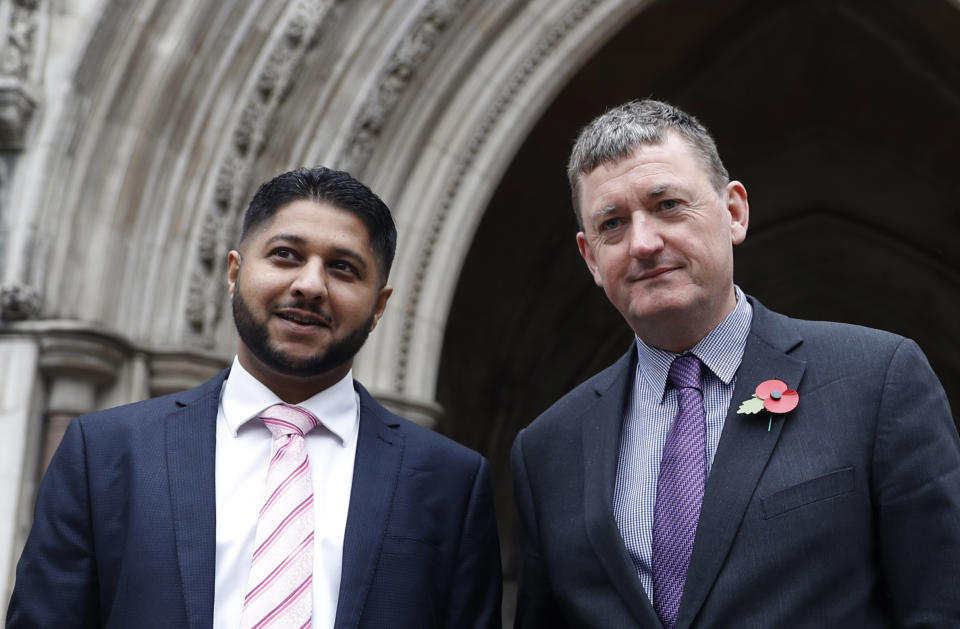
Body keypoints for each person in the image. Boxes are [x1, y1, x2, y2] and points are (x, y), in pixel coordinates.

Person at [511, 99, 960, 628]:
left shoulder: (876, 379)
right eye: (613, 224)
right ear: (590, 257)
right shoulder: (547, 449)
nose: (644, 243)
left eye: (669, 205)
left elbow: (942, 605)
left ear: (734, 212)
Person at [8, 167, 502, 628]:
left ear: (378, 306)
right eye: (286, 255)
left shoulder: (451, 482)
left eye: (343, 268)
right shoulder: (106, 452)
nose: (310, 285)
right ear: (233, 273)